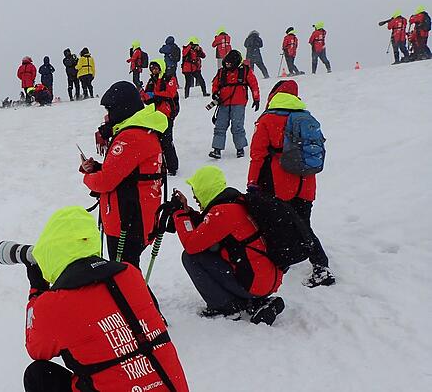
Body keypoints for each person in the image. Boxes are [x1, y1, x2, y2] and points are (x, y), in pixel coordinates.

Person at [23, 207, 189, 392]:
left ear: (49, 253)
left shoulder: (52, 305)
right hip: (171, 387)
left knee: (38, 375)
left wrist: (37, 291)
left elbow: (36, 349)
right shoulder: (130, 274)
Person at [168, 166, 285, 325]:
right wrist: (187, 211)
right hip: (265, 279)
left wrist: (180, 214)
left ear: (204, 190)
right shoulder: (234, 203)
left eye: (196, 192)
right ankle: (255, 301)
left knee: (191, 257)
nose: (194, 197)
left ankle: (227, 306)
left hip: (254, 283)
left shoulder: (222, 213)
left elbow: (191, 245)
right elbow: (206, 229)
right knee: (210, 250)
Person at [248, 80, 336, 288]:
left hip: (280, 182)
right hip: (306, 181)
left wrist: (252, 182)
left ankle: (309, 265)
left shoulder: (267, 120)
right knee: (303, 223)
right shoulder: (307, 117)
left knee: (280, 224)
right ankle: (315, 263)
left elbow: (257, 155)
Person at [81, 81, 167, 268]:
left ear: (122, 108)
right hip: (137, 217)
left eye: (110, 110)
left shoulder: (131, 137)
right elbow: (129, 172)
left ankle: (136, 290)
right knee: (127, 272)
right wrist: (97, 167)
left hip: (127, 221)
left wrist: (88, 177)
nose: (108, 116)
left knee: (124, 275)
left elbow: (106, 182)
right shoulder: (143, 129)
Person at [208, 50, 260, 159]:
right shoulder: (221, 72)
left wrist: (256, 99)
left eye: (229, 63)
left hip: (239, 103)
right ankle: (217, 149)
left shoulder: (245, 71)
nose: (227, 65)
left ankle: (240, 149)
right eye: (226, 63)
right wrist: (215, 93)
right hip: (223, 103)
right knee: (220, 126)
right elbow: (215, 84)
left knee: (237, 127)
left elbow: (254, 84)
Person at [142, 59, 179, 176]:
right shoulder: (151, 81)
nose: (154, 70)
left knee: (166, 141)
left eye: (156, 68)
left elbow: (170, 93)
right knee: (156, 141)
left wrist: (155, 95)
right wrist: (144, 95)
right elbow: (147, 98)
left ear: (161, 68)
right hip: (154, 115)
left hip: (167, 114)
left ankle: (172, 167)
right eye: (152, 69)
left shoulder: (169, 78)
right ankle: (160, 165)